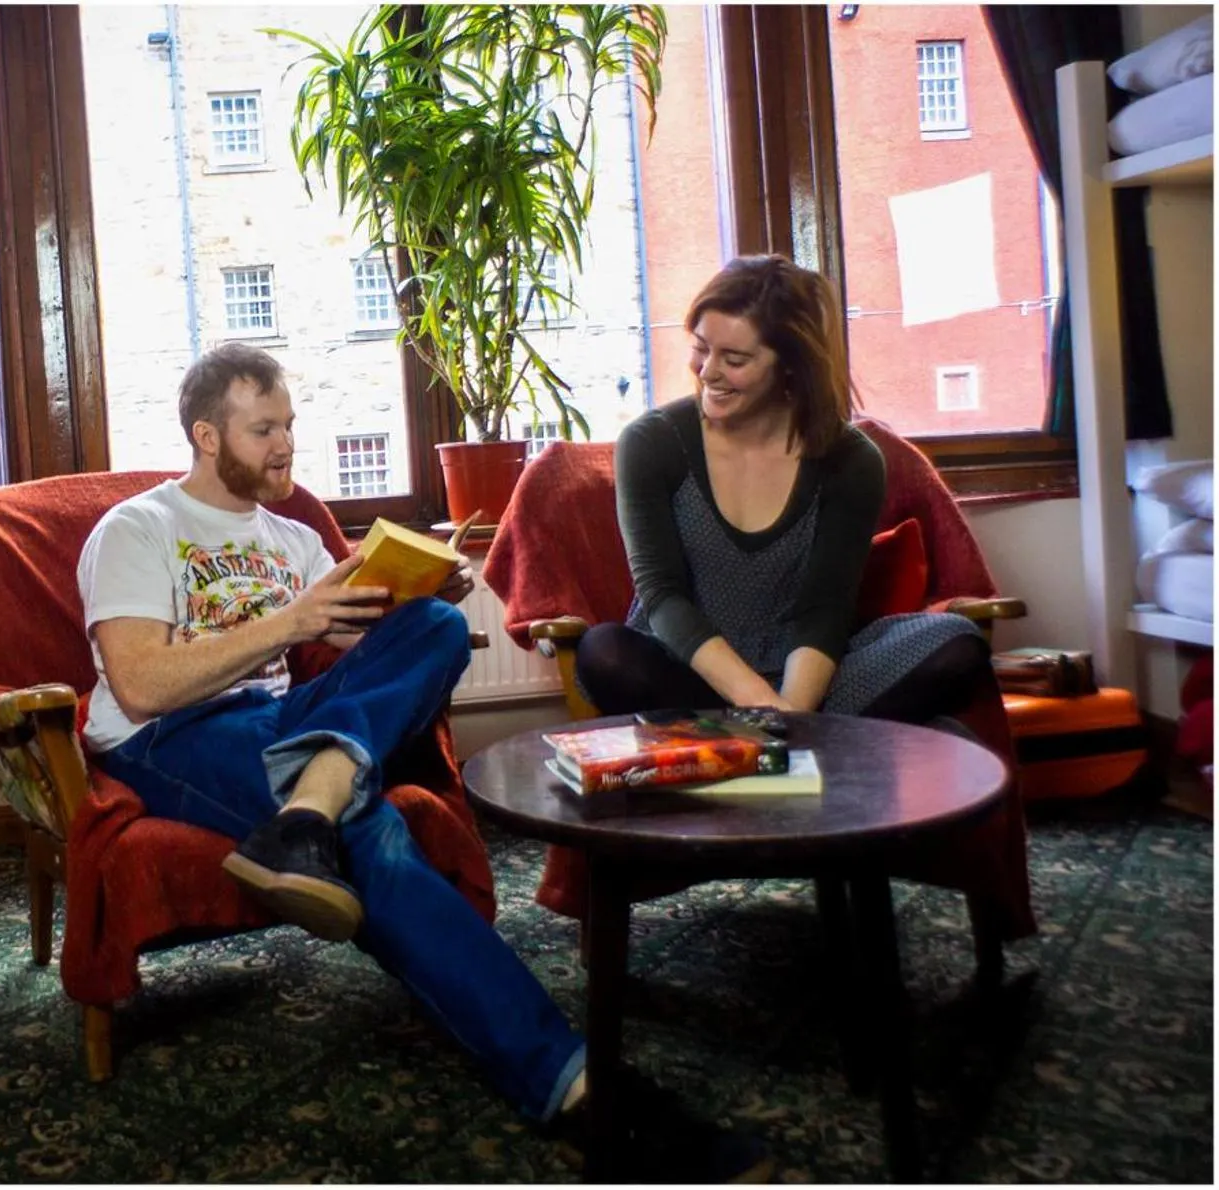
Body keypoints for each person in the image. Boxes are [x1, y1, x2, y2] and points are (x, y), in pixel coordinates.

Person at [77, 341, 769, 1181]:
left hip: (278, 721)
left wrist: (406, 603)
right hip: (170, 738)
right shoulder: (138, 528)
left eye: (289, 424)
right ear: (205, 436)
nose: (285, 445)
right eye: (262, 430)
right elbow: (142, 685)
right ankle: (577, 1085)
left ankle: (304, 820)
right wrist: (294, 621)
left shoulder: (293, 538)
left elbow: (345, 654)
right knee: (373, 834)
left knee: (439, 629)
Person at [577, 254, 992, 723]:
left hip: (810, 678)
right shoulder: (651, 443)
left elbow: (825, 608)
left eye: (734, 359)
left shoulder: (850, 459)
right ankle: (808, 743)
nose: (708, 371)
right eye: (700, 348)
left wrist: (792, 712)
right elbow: (663, 597)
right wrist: (767, 709)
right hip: (689, 672)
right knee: (604, 653)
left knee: (958, 644)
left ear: (790, 367)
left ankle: (770, 744)